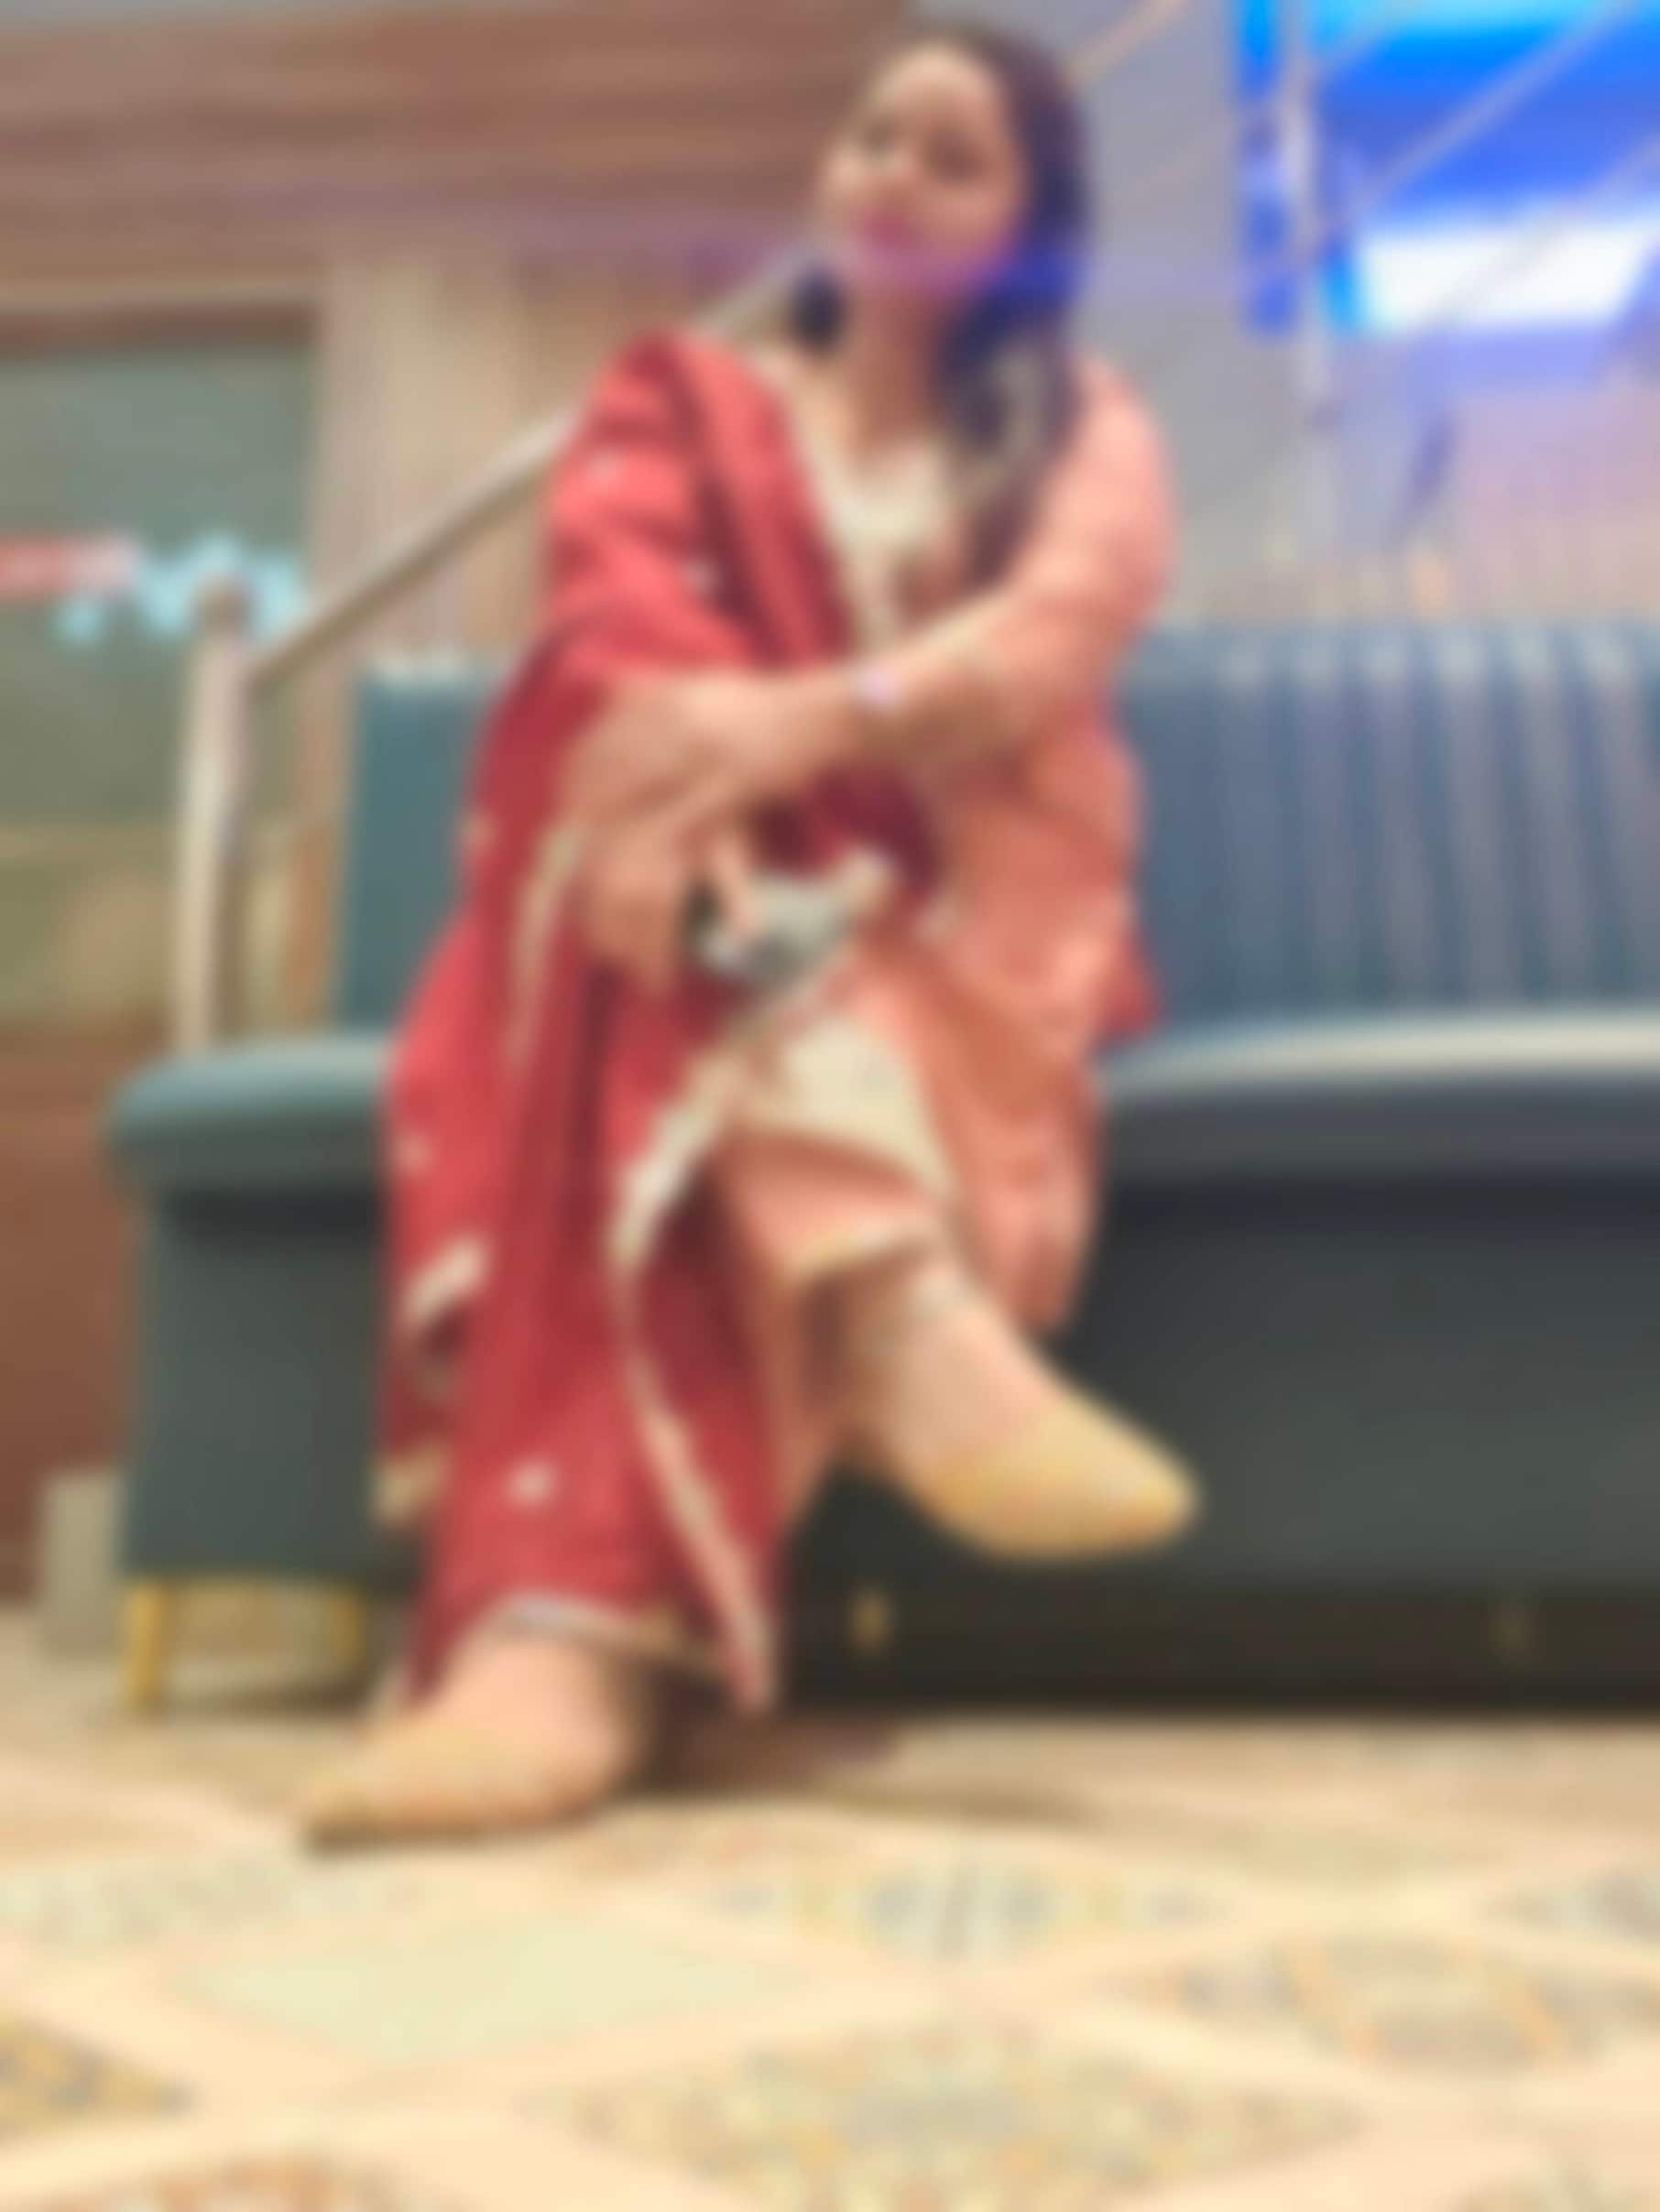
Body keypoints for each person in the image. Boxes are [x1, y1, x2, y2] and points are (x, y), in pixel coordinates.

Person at [300, 21, 1199, 1847]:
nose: (892, 176)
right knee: (621, 807)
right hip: (727, 903)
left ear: (1028, 228)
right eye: (873, 137)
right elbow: (618, 608)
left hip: (960, 918)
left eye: (952, 156)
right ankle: (896, 1312)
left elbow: (1048, 644)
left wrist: (791, 732)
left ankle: (565, 1645)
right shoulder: (680, 406)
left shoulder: (1089, 430)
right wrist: (700, 796)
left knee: (660, 909)